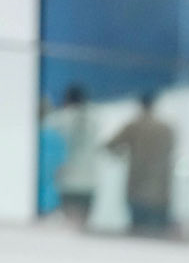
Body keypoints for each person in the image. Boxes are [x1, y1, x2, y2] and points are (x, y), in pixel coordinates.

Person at [105, 95, 175, 236]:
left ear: (140, 105)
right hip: (161, 188)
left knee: (137, 233)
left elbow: (110, 145)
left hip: (137, 185)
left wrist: (123, 156)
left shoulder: (133, 126)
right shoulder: (166, 128)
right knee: (158, 235)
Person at [48, 84, 99, 227]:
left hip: (67, 181)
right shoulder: (94, 119)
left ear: (67, 100)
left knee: (69, 227)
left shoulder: (58, 119)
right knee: (83, 226)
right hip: (89, 181)